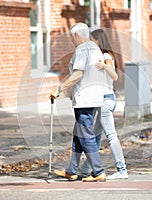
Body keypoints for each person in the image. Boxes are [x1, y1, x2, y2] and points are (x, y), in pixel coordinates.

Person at [49, 23, 108, 182]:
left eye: (72, 37)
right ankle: (72, 170)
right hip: (94, 98)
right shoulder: (95, 49)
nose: (72, 41)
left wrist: (59, 89)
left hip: (84, 100)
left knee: (86, 136)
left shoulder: (82, 49)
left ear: (76, 35)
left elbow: (77, 74)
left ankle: (98, 171)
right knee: (79, 135)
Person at [81, 29, 128, 180]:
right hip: (104, 99)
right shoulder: (101, 55)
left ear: (98, 41)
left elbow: (114, 76)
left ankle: (122, 170)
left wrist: (104, 66)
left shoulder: (105, 56)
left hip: (105, 101)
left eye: (92, 40)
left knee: (111, 135)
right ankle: (87, 168)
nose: (90, 42)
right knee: (95, 136)